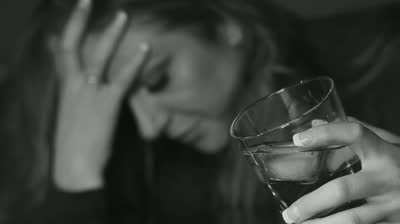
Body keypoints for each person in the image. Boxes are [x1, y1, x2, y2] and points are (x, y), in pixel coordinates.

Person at [1, 1, 400, 224]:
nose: (150, 127)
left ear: (226, 23)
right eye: (119, 107)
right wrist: (73, 175)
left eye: (157, 80)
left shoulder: (385, 62)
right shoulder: (144, 168)